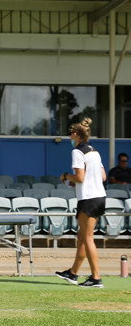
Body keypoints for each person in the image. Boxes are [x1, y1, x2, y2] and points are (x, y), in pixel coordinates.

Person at [56, 118, 106, 288]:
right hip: (99, 198)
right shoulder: (95, 152)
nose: (70, 137)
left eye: (71, 134)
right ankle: (73, 273)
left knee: (87, 238)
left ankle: (96, 278)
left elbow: (80, 177)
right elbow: (103, 177)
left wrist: (65, 176)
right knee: (82, 236)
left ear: (76, 134)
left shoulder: (78, 152)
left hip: (88, 199)